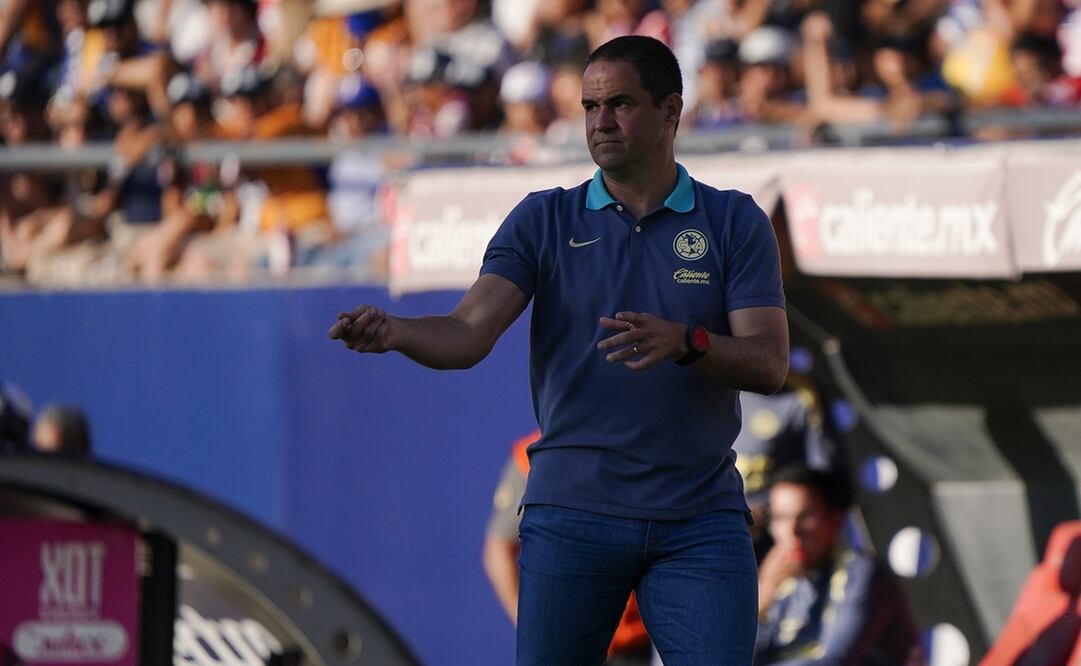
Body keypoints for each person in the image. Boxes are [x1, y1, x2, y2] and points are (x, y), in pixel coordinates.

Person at [330, 35, 789, 665]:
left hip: (699, 520)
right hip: (573, 515)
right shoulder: (543, 218)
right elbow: (467, 334)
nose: (600, 122)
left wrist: (687, 343)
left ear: (671, 112)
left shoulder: (734, 220)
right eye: (590, 106)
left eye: (620, 104)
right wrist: (398, 332)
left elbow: (769, 363)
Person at [482, 429, 652, 665]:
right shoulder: (533, 456)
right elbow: (498, 549)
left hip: (638, 643)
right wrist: (531, 629)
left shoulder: (646, 442)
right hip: (567, 640)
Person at [755, 465, 922, 666]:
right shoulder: (778, 586)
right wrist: (761, 602)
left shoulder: (863, 574)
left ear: (835, 519)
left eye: (806, 517)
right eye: (780, 518)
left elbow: (836, 660)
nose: (792, 531)